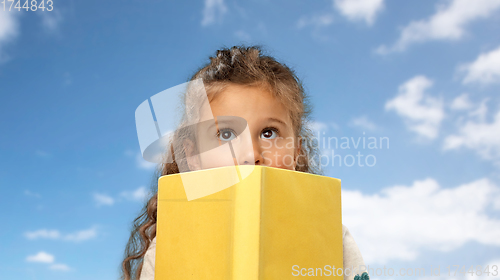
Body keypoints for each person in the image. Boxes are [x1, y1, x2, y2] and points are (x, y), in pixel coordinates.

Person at [121, 45, 367, 280]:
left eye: (269, 132)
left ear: (296, 153)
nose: (251, 154)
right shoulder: (170, 244)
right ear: (192, 157)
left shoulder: (332, 236)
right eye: (226, 134)